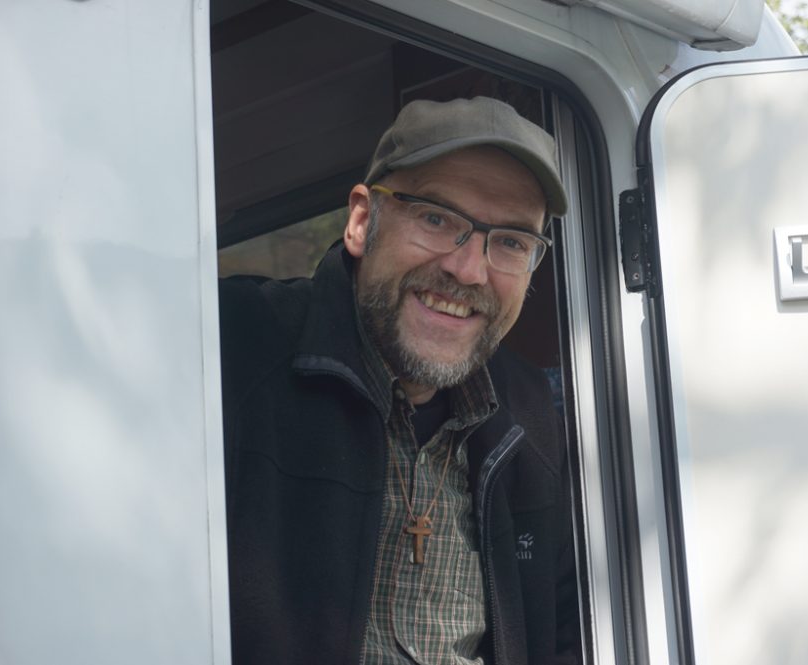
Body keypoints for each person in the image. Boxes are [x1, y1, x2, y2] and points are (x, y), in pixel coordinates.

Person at [219, 96, 580, 665]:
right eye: (436, 218)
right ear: (363, 221)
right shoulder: (230, 347)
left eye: (510, 241)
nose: (468, 270)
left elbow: (564, 636)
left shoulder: (532, 415)